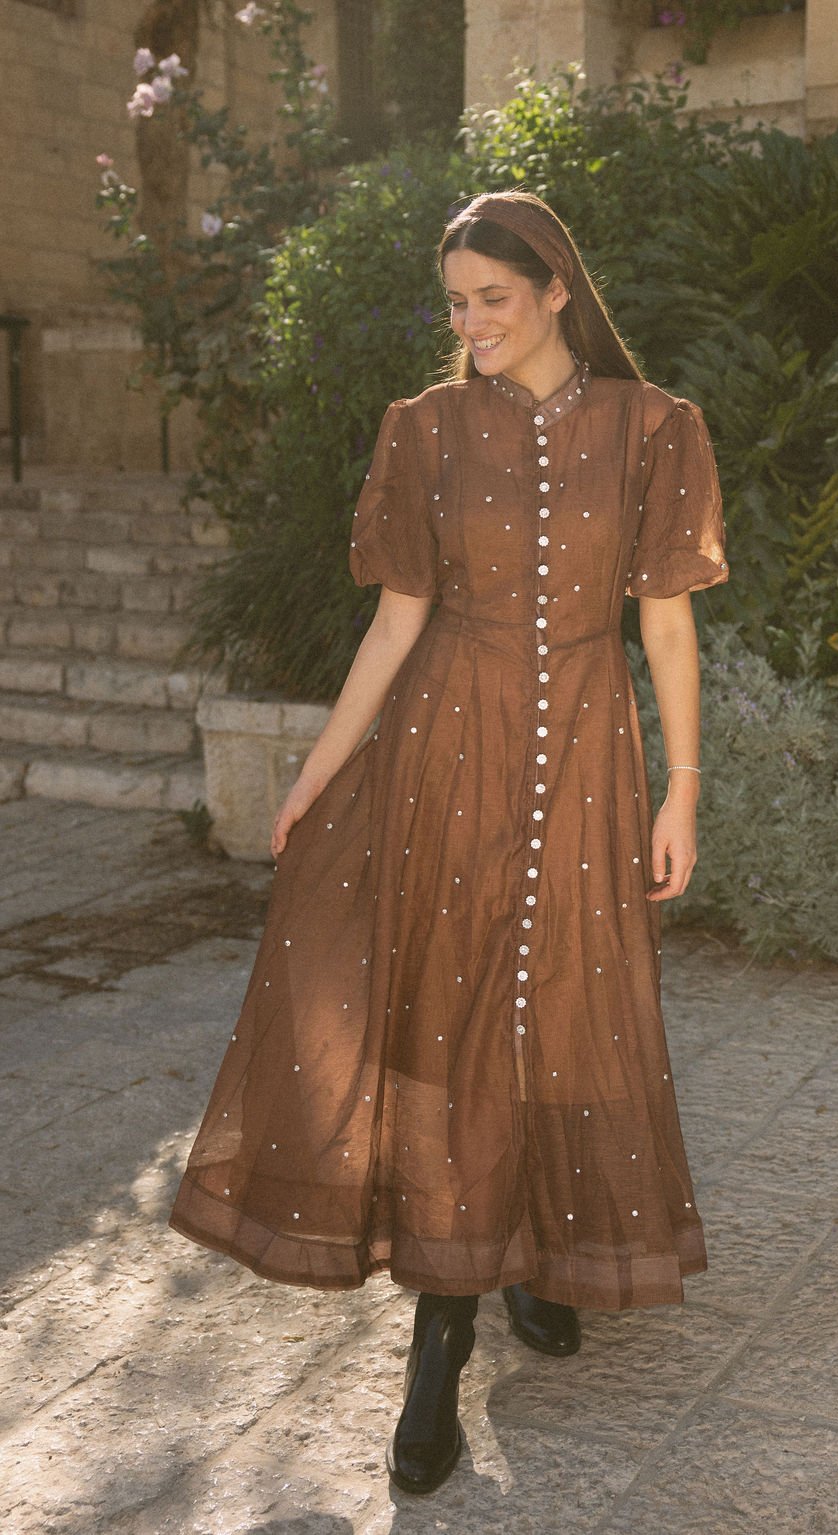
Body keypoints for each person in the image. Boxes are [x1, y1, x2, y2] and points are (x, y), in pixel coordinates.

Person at [169, 188, 729, 1497]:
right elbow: (394, 623)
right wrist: (318, 769)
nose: (470, 323)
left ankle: (529, 1251)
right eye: (457, 303)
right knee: (453, 1016)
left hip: (588, 759)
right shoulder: (422, 433)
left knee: (560, 1014)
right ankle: (443, 1327)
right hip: (445, 761)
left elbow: (665, 631)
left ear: (555, 292)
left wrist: (682, 789)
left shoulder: (656, 431)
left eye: (491, 297)